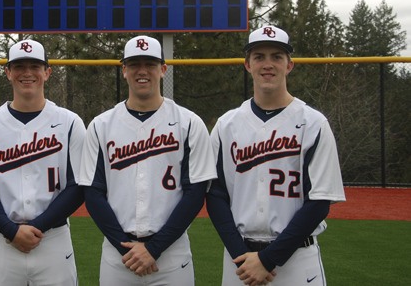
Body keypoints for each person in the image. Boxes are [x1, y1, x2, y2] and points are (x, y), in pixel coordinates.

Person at [206, 25, 346, 286]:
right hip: (240, 260)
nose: (267, 64)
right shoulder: (227, 125)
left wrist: (268, 259)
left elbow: (319, 201)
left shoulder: (313, 123)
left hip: (297, 259)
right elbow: (215, 194)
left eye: (277, 57)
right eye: (259, 57)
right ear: (248, 64)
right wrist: (241, 255)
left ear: (289, 65)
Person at [78, 35, 217, 285]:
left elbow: (195, 193)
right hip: (118, 255)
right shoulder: (101, 125)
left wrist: (154, 248)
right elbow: (93, 193)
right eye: (134, 64)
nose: (142, 71)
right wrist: (127, 249)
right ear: (124, 70)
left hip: (172, 255)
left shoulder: (189, 123)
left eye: (150, 64)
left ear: (163, 69)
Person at [0, 39, 86, 286]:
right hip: (2, 239)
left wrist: (38, 226)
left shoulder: (70, 123)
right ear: (8, 72)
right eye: (19, 66)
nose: (27, 73)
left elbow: (77, 187)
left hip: (53, 238)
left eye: (35, 66)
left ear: (47, 72)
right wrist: (11, 230)